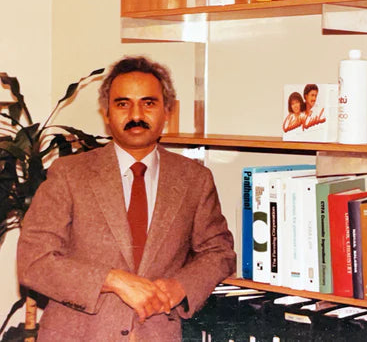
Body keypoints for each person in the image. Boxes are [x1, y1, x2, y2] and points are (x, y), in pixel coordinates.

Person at [17, 56, 236, 341]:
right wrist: (113, 280)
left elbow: (219, 252)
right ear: (106, 113)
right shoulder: (70, 174)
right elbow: (34, 262)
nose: (136, 114)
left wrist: (180, 286)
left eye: (148, 103)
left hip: (158, 332)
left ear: (166, 111)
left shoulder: (194, 179)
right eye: (123, 104)